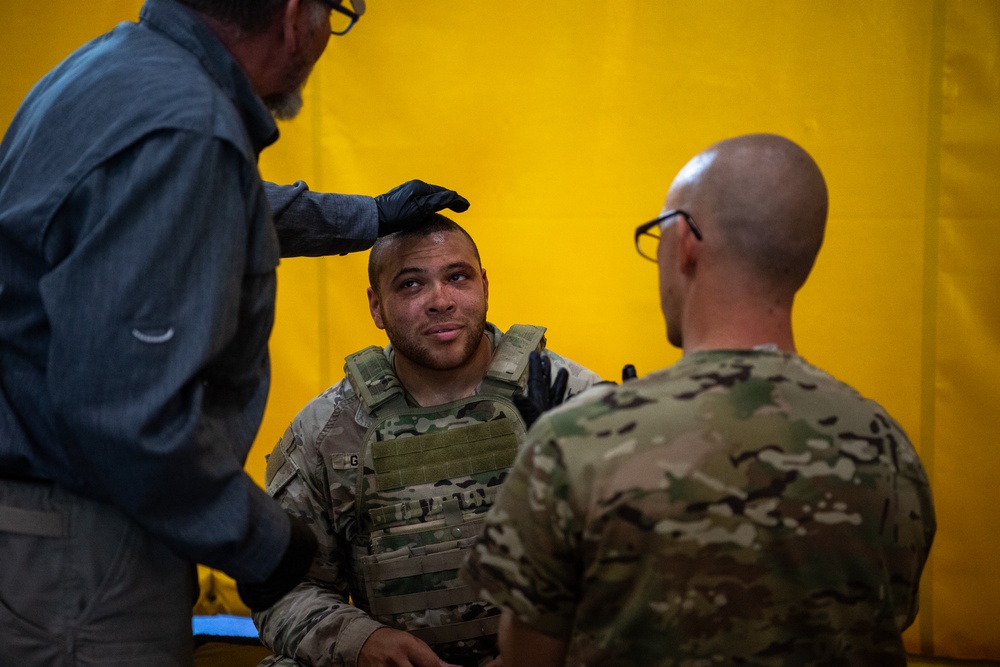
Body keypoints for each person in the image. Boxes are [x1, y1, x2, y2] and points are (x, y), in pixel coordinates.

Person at [0, 0, 469, 664]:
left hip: (50, 541)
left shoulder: (108, 74)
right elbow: (127, 413)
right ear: (292, 17)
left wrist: (370, 216)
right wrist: (259, 541)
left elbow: (218, 203)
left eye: (460, 277)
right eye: (335, 15)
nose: (441, 302)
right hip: (87, 553)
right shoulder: (185, 128)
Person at [461, 133, 937, 666]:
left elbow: (529, 658)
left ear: (684, 241)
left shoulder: (576, 441)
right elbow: (887, 619)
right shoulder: (885, 445)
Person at [252, 214, 604, 667]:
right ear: (376, 307)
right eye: (411, 285)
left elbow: (648, 559)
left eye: (457, 277)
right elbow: (283, 586)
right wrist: (362, 643)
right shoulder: (328, 428)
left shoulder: (568, 397)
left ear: (485, 286)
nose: (441, 301)